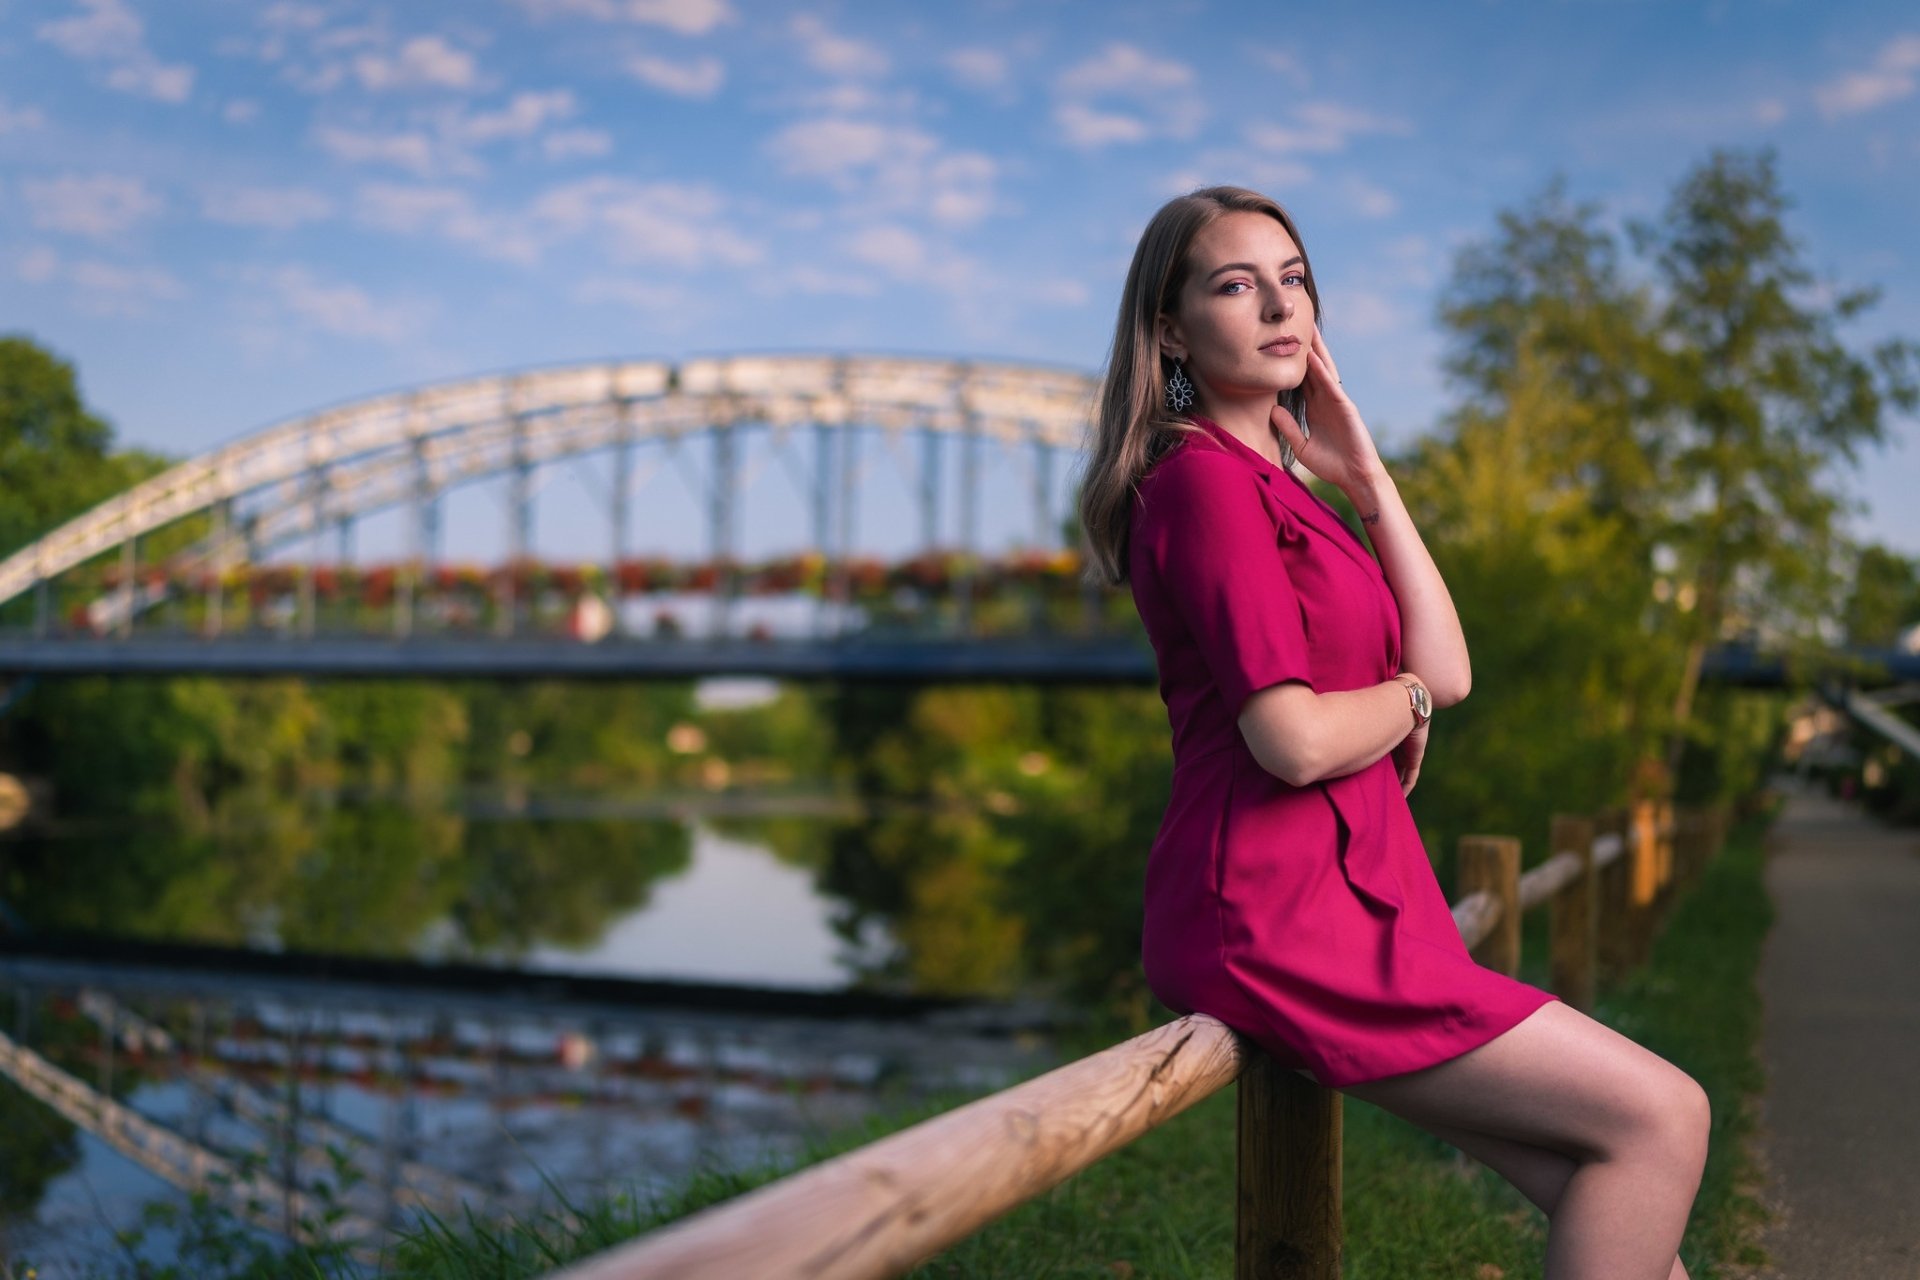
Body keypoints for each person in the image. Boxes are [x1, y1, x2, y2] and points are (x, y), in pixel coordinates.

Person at [1075, 186, 1709, 1279]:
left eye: (1296, 279)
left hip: (1355, 899)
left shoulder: (1285, 488)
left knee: (1611, 1186)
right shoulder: (1200, 485)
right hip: (1279, 911)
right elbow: (1295, 739)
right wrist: (1398, 704)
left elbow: (1450, 667)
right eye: (1237, 284)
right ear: (1171, 329)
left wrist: (1367, 478)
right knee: (1664, 1114)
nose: (1281, 305)